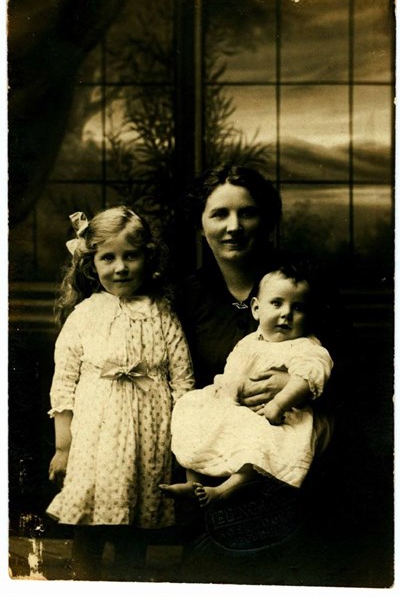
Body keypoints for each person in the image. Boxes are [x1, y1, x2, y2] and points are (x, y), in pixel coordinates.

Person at [46, 206, 195, 580]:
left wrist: (185, 444)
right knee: (88, 520)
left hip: (150, 435)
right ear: (90, 263)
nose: (121, 267)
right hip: (96, 437)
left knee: (136, 524)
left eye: (131, 256)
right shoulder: (85, 315)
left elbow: (183, 380)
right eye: (108, 258)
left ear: (148, 257)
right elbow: (63, 382)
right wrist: (63, 446)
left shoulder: (162, 314)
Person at [160, 264, 333, 506]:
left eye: (298, 307)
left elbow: (310, 376)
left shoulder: (306, 346)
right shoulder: (250, 342)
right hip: (236, 406)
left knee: (260, 442)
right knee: (192, 407)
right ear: (255, 308)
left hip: (277, 415)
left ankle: (226, 489)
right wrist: (223, 394)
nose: (286, 314)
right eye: (276, 303)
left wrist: (279, 403)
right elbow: (234, 370)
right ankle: (194, 479)